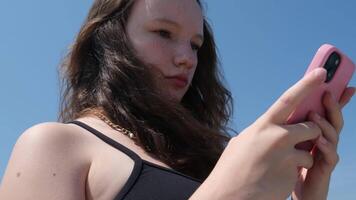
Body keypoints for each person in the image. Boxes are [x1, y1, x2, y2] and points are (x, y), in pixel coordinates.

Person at [0, 0, 354, 199]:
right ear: (111, 41)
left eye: (195, 45)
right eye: (164, 33)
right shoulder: (52, 144)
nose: (187, 57)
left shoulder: (205, 160)